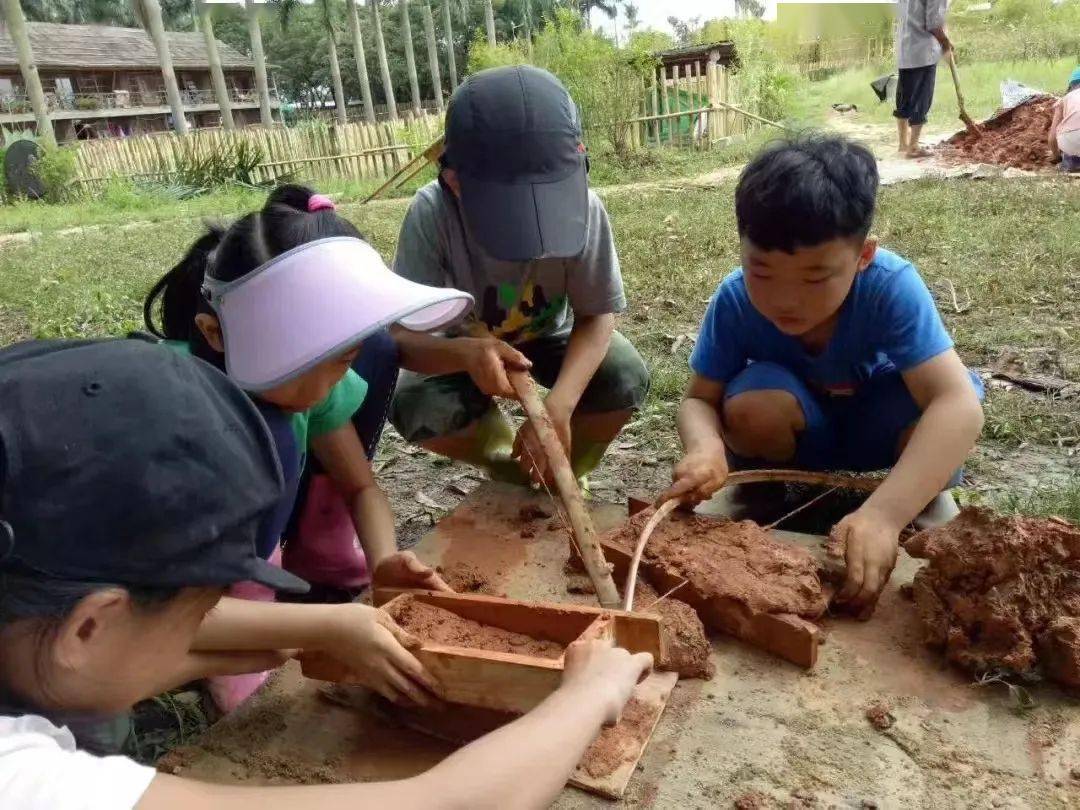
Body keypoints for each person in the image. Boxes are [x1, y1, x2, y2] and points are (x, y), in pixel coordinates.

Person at [0, 338, 654, 809]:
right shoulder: (27, 782)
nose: (208, 628)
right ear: (87, 627)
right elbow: (444, 804)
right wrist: (587, 696)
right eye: (199, 613)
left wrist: (325, 628)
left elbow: (168, 639)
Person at [143, 185, 473, 709]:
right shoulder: (173, 417)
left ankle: (305, 558)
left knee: (356, 371)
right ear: (214, 332)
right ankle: (254, 591)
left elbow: (360, 485)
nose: (328, 381)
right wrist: (325, 626)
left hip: (239, 539)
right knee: (270, 435)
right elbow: (161, 609)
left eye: (343, 358)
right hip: (163, 586)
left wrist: (385, 560)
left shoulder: (297, 375)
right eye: (312, 360)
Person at [661, 135, 984, 617]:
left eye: (815, 278)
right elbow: (698, 400)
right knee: (750, 399)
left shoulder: (890, 287)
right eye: (762, 272)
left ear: (864, 256)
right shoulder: (734, 300)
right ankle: (759, 489)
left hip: (875, 429)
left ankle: (920, 496)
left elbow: (958, 405)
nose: (786, 299)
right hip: (802, 427)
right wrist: (705, 448)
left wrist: (884, 515)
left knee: (936, 405)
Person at [389, 65, 650, 487]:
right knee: (415, 402)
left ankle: (563, 474)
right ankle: (507, 467)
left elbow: (598, 315)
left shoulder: (586, 208)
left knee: (623, 375)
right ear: (454, 182)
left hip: (550, 338)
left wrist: (559, 408)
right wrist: (467, 354)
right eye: (510, 214)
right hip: (461, 349)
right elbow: (399, 340)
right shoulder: (431, 215)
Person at [894, 0, 952, 158]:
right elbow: (933, 23)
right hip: (924, 52)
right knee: (922, 99)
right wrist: (946, 43)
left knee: (904, 97)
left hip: (906, 47)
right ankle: (913, 146)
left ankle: (903, 144)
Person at [1048, 67, 1080, 173]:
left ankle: (1070, 164)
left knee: (1070, 141)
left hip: (1071, 141)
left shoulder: (1064, 100)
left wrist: (1056, 156)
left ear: (1071, 85)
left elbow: (1052, 137)